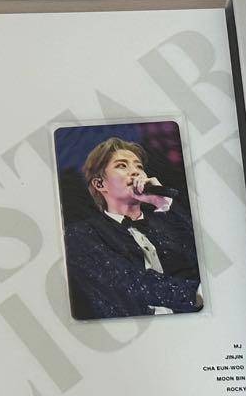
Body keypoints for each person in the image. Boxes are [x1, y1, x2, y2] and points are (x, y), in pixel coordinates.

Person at [63, 137, 202, 320]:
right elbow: (127, 281)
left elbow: (202, 258)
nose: (136, 172)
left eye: (139, 166)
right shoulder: (81, 234)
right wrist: (196, 293)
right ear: (100, 184)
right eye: (122, 165)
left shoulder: (167, 223)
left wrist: (162, 203)